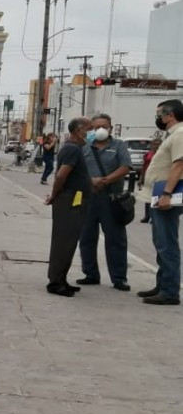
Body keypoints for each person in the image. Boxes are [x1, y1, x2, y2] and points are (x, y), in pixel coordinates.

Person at [76, 114, 131, 291]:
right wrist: (90, 181)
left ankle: (119, 278)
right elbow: (76, 169)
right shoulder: (85, 148)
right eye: (96, 126)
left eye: (104, 126)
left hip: (111, 198)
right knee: (86, 238)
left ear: (111, 128)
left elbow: (125, 167)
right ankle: (90, 274)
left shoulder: (119, 146)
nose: (100, 129)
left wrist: (105, 180)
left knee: (116, 240)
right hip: (88, 198)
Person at [138, 99, 183, 305]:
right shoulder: (172, 134)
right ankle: (162, 284)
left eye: (159, 114)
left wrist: (166, 193)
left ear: (170, 115)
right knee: (160, 242)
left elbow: (179, 166)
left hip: (166, 195)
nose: (158, 118)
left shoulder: (180, 134)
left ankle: (170, 291)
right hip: (158, 195)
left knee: (167, 244)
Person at [44, 117, 94, 297]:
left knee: (70, 241)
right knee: (64, 242)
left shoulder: (76, 148)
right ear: (79, 130)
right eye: (90, 128)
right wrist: (54, 195)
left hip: (76, 198)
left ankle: (62, 278)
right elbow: (60, 176)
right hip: (70, 199)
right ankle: (55, 282)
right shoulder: (72, 149)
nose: (93, 132)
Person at [138, 138, 161, 223]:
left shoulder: (163, 155)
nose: (156, 146)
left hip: (158, 178)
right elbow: (144, 167)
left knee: (155, 198)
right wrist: (141, 178)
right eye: (154, 144)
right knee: (147, 198)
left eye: (158, 144)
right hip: (147, 177)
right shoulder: (148, 154)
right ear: (151, 145)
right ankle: (147, 216)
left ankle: (154, 217)